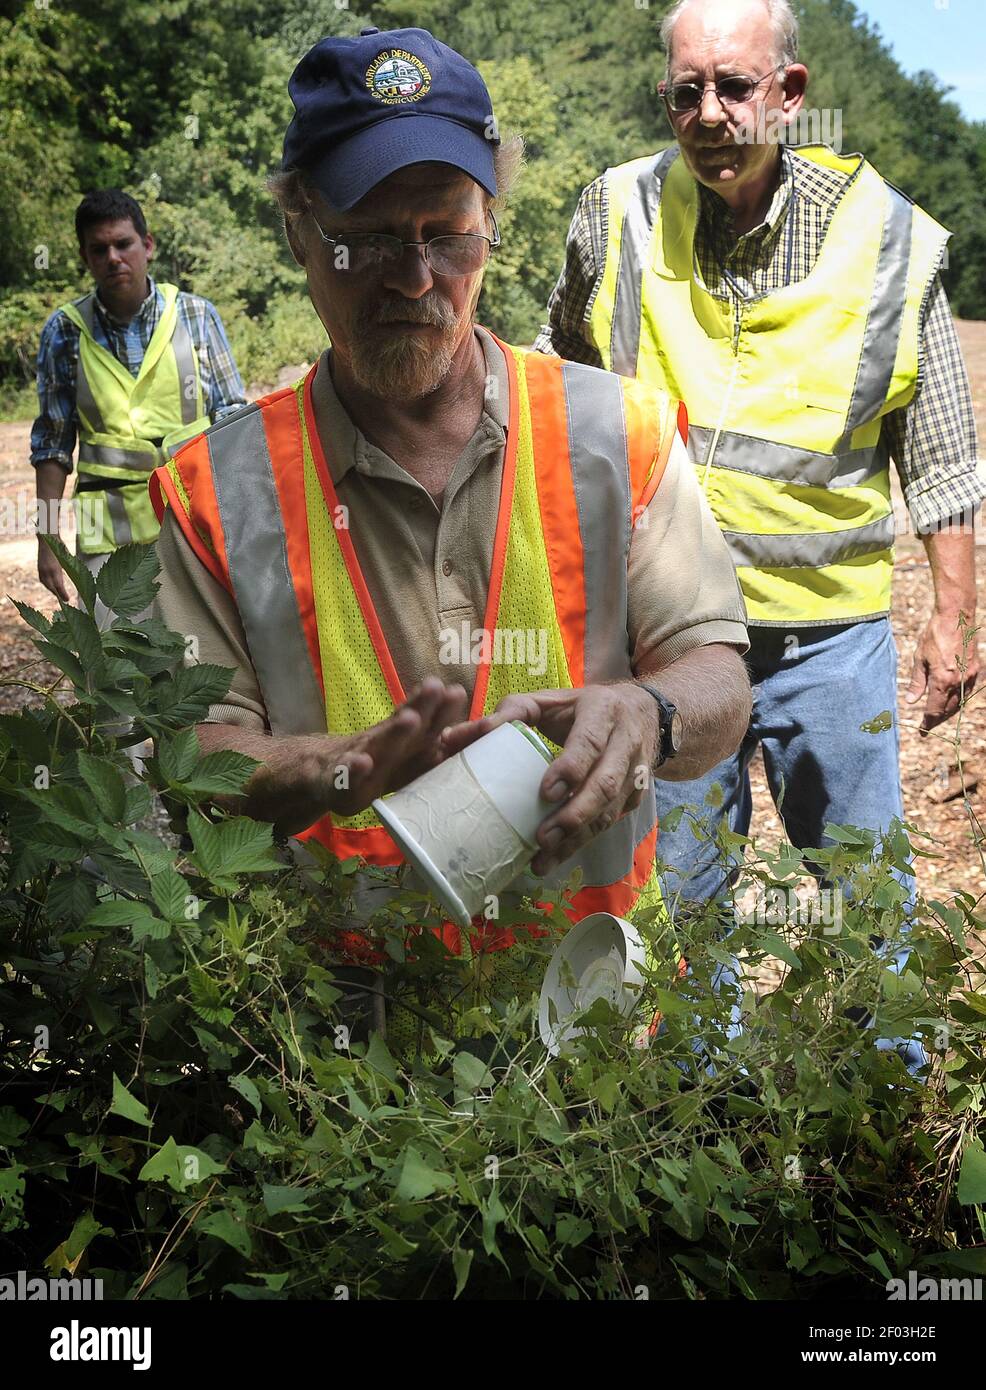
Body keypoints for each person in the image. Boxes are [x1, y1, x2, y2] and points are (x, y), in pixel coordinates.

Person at [147, 26, 752, 1039]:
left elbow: (719, 681)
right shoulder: (217, 490)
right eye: (369, 238)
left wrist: (647, 710)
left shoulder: (617, 431)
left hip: (591, 1022)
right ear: (299, 231)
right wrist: (335, 768)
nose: (414, 277)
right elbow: (195, 755)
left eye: (446, 232)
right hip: (335, 1045)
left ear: (489, 228)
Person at [536, 0, 981, 953]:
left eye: (734, 87)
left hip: (829, 639)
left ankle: (882, 1092)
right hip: (667, 629)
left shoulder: (888, 241)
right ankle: (703, 1088)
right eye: (683, 91)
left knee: (862, 893)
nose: (708, 113)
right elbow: (553, 383)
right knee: (681, 895)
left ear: (790, 93)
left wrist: (951, 620)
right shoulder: (615, 213)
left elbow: (943, 461)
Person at [32, 188, 247, 625]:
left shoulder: (196, 317)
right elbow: (52, 446)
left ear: (147, 245)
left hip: (193, 524)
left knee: (195, 665)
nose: (113, 257)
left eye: (123, 244)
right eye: (99, 249)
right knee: (114, 672)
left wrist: (245, 517)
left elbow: (233, 418)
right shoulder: (65, 332)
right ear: (85, 258)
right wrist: (46, 538)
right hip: (106, 541)